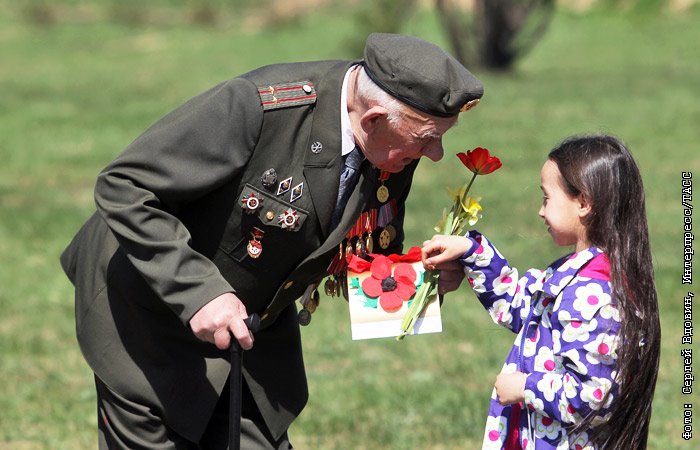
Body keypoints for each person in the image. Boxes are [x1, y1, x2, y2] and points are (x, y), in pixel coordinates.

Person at [60, 33, 483, 449]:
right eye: (428, 138)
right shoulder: (259, 106)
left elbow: (366, 256)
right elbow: (124, 185)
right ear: (372, 120)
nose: (436, 154)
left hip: (249, 326)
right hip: (147, 308)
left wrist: (420, 283)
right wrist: (198, 294)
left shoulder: (391, 140)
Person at [422, 135, 660, 449]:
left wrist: (525, 387)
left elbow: (592, 395)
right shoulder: (576, 274)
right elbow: (518, 305)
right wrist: (471, 251)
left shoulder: (593, 295)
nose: (540, 211)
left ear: (584, 203)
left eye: (546, 198)